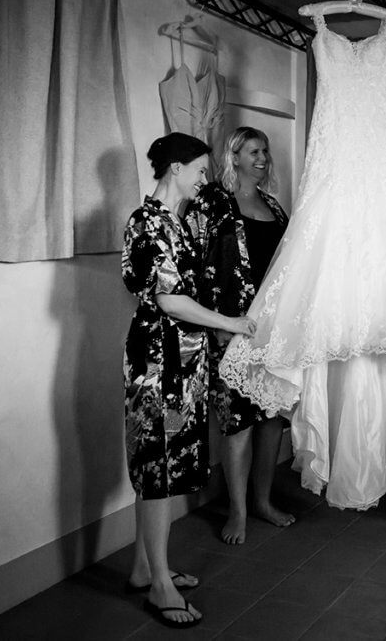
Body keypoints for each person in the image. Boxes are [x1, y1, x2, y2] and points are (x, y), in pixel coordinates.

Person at [219, 8, 386, 511]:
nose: (260, 157)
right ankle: (263, 494)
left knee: (373, 301)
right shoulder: (325, 37)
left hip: (371, 174)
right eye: (251, 152)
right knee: (334, 319)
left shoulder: (377, 35)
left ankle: (332, 467)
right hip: (337, 171)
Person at [121, 132, 255, 628]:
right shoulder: (148, 221)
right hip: (158, 366)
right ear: (175, 168)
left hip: (182, 365)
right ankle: (158, 586)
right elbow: (169, 299)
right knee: (158, 470)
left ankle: (143, 567)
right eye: (200, 170)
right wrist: (232, 324)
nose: (205, 178)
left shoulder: (173, 223)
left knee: (166, 467)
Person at [186, 127, 295, 544]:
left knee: (271, 419)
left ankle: (263, 501)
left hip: (273, 330)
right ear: (233, 157)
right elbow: (193, 262)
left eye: (265, 150)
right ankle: (237, 511)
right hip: (229, 329)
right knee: (237, 423)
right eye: (253, 151)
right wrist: (213, 323)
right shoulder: (213, 202)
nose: (263, 158)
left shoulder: (274, 207)